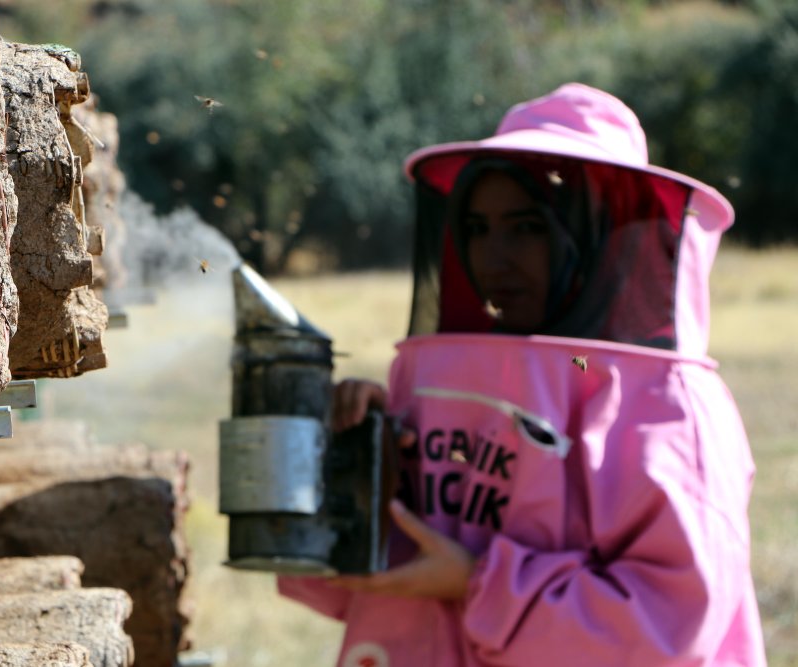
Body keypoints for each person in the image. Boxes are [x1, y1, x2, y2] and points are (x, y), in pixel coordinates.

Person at [278, 83, 767, 667]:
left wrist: (478, 583)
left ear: (600, 234)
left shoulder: (670, 406)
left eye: (528, 227)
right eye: (478, 229)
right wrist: (352, 453)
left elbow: (667, 626)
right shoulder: (436, 380)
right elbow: (354, 578)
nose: (493, 258)